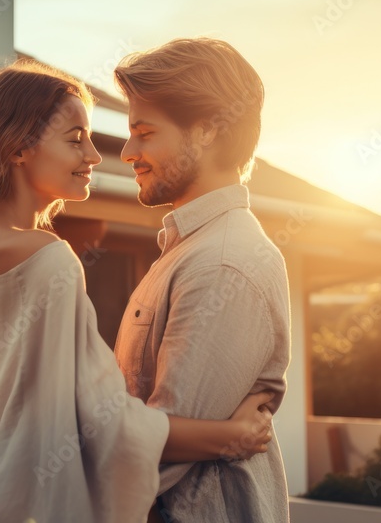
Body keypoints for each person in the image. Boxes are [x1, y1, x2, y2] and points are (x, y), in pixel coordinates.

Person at [0, 60, 275, 523]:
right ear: (17, 147)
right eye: (74, 139)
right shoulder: (49, 261)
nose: (94, 156)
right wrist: (232, 437)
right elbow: (104, 423)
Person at [112, 38, 292, 522]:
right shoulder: (188, 251)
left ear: (209, 129)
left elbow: (160, 446)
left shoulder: (222, 264)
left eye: (145, 132)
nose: (128, 151)